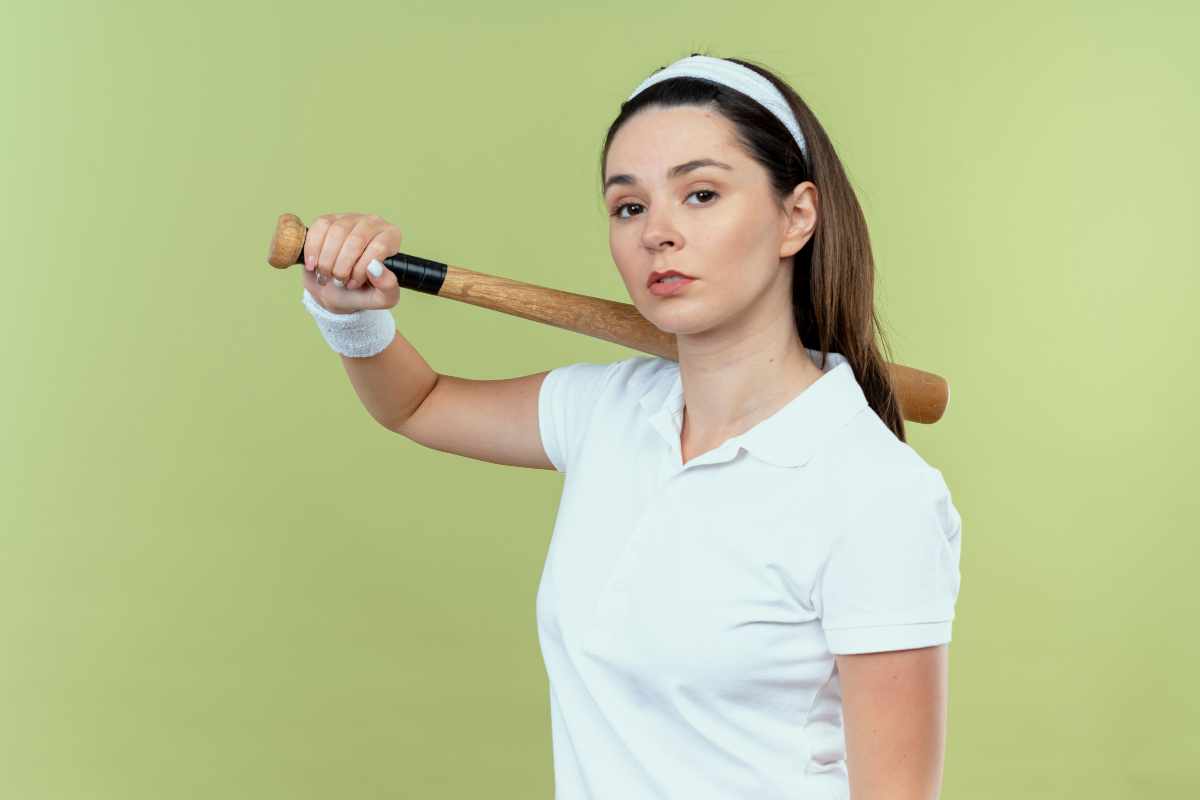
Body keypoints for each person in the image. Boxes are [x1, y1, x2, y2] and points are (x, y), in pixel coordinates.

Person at [297, 51, 963, 800]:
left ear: (796, 216)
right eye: (629, 207)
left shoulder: (877, 494)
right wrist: (347, 315)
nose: (658, 233)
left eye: (701, 194)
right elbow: (416, 404)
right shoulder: (608, 411)